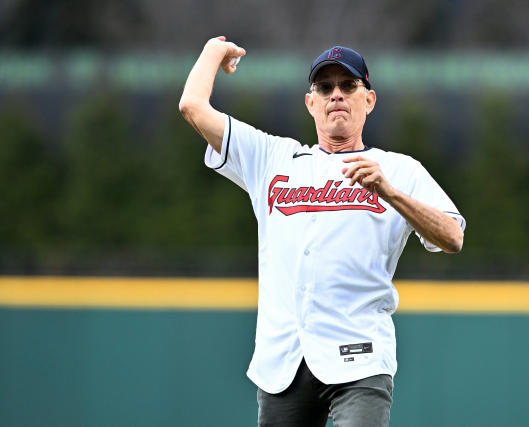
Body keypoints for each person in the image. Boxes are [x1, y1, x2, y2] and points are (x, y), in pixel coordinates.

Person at [179, 36, 466, 427]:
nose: (336, 95)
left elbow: (452, 236)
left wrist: (391, 194)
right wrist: (214, 51)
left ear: (369, 100)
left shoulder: (397, 170)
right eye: (325, 87)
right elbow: (192, 107)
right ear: (310, 102)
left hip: (360, 356)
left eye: (348, 86)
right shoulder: (273, 158)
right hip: (283, 361)